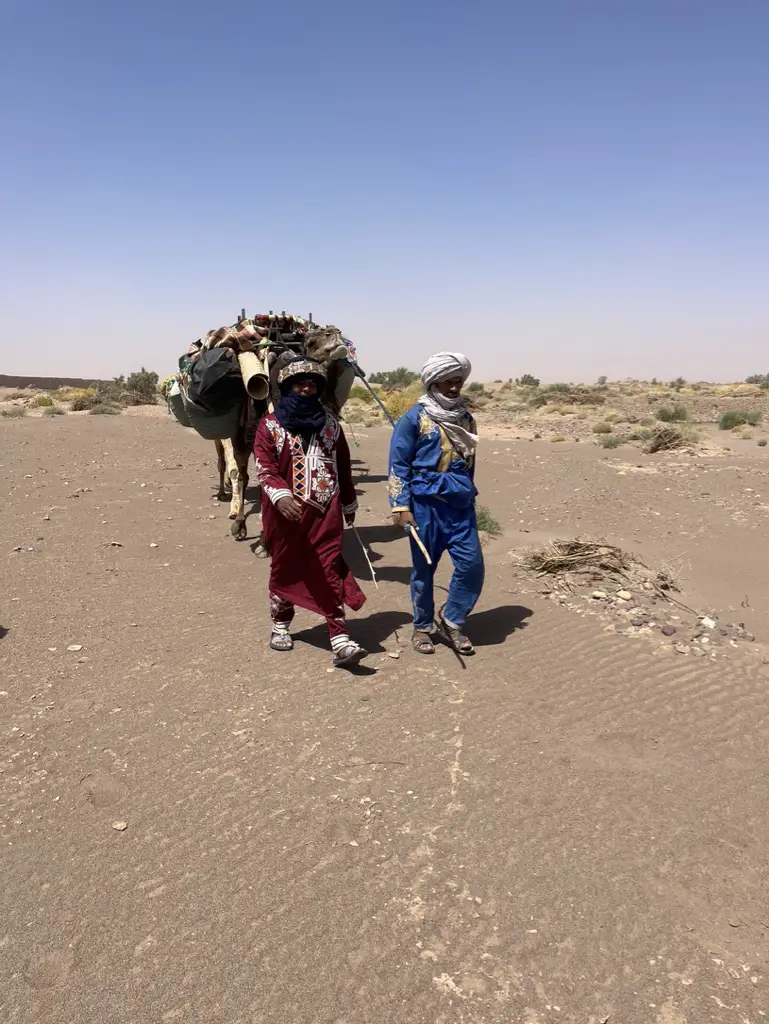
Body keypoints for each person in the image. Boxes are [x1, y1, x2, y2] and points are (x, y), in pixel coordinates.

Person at [253, 357, 368, 667]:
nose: (306, 388)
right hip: (285, 514)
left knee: (329, 567)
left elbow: (342, 466)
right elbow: (264, 467)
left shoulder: (331, 425)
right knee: (285, 567)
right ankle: (281, 625)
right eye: (299, 383)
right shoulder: (270, 426)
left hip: (325, 508)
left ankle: (340, 638)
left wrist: (348, 502)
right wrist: (280, 495)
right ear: (288, 387)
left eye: (312, 383)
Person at [387, 352, 484, 655]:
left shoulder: (466, 419)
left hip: (459, 507)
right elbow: (398, 465)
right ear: (433, 382)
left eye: (458, 381)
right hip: (425, 507)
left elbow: (469, 464)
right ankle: (422, 627)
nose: (454, 388)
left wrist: (466, 494)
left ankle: (452, 620)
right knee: (424, 571)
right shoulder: (413, 418)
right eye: (447, 382)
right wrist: (400, 507)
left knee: (472, 567)